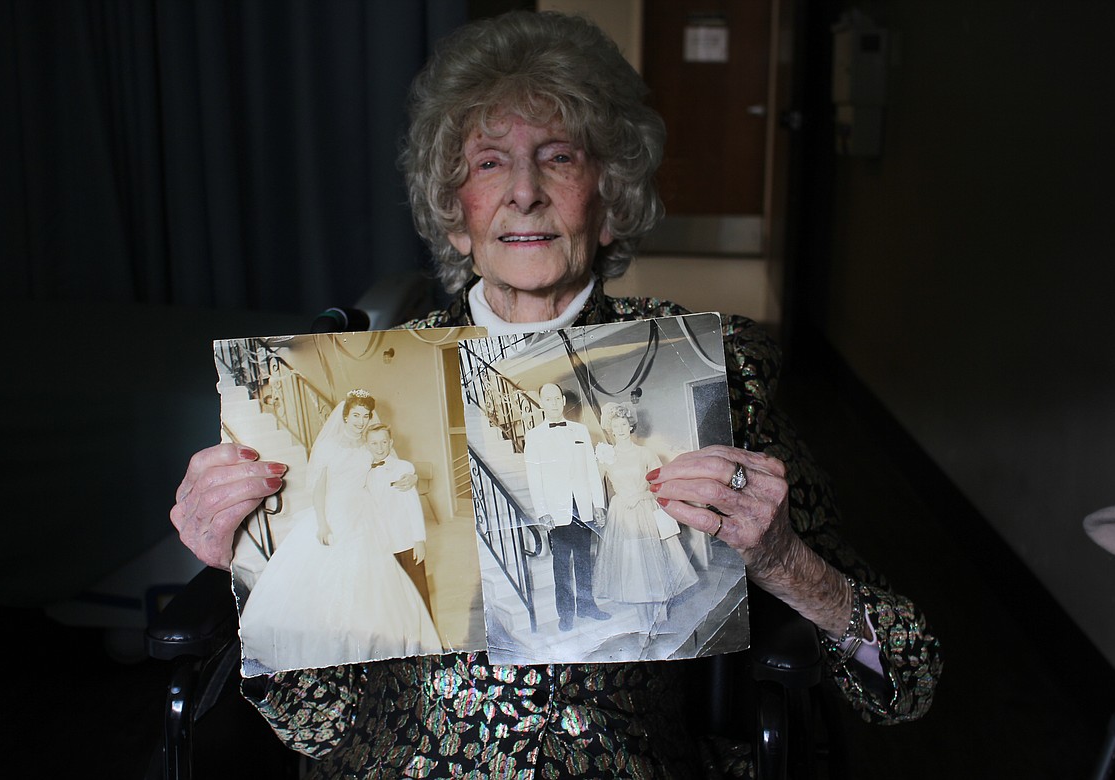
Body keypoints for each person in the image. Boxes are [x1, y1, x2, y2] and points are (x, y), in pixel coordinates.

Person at [170, 11, 941, 777]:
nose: (526, 193)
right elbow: (314, 725)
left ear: (610, 202)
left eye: (560, 158)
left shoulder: (709, 369)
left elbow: (906, 680)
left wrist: (785, 562)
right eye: (489, 163)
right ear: (457, 216)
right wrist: (240, 563)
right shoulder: (368, 380)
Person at [236, 391, 442, 672]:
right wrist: (322, 521)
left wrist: (413, 476)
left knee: (374, 576)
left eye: (365, 416)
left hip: (365, 512)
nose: (361, 421)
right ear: (345, 415)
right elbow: (319, 487)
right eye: (356, 415)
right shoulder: (330, 446)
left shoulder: (368, 445)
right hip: (334, 512)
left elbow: (388, 464)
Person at [593, 402, 698, 633]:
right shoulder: (605, 454)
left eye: (623, 424)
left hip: (646, 509)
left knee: (655, 565)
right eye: (615, 425)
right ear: (610, 428)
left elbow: (661, 483)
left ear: (630, 426)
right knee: (634, 569)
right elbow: (595, 485)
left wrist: (641, 494)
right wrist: (598, 507)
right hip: (622, 514)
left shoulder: (645, 453)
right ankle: (643, 623)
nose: (619, 429)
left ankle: (657, 615)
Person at [523, 382, 611, 631]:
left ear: (563, 401)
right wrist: (542, 511)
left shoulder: (580, 431)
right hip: (556, 510)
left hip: (581, 507)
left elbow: (592, 471)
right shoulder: (534, 435)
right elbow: (534, 477)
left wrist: (598, 504)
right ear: (541, 403)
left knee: (584, 560)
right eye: (547, 399)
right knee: (561, 565)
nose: (552, 403)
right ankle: (566, 614)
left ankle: (587, 606)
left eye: (556, 398)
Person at [362, 422, 433, 616]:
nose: (379, 447)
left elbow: (413, 506)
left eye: (383, 442)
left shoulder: (403, 468)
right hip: (382, 544)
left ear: (390, 442)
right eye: (374, 443)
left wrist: (419, 539)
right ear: (366, 445)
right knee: (394, 599)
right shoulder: (362, 473)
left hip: (406, 541)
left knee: (419, 594)